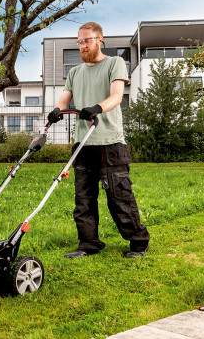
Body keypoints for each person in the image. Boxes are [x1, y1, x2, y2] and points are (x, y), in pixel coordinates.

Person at [47, 22, 150, 259]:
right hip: (83, 144)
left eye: (87, 40)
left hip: (110, 142)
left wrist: (97, 108)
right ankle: (89, 244)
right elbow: (64, 99)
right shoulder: (75, 72)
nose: (83, 45)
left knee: (119, 196)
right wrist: (56, 110)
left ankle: (138, 242)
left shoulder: (114, 63)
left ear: (99, 39)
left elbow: (116, 96)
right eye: (80, 42)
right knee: (83, 199)